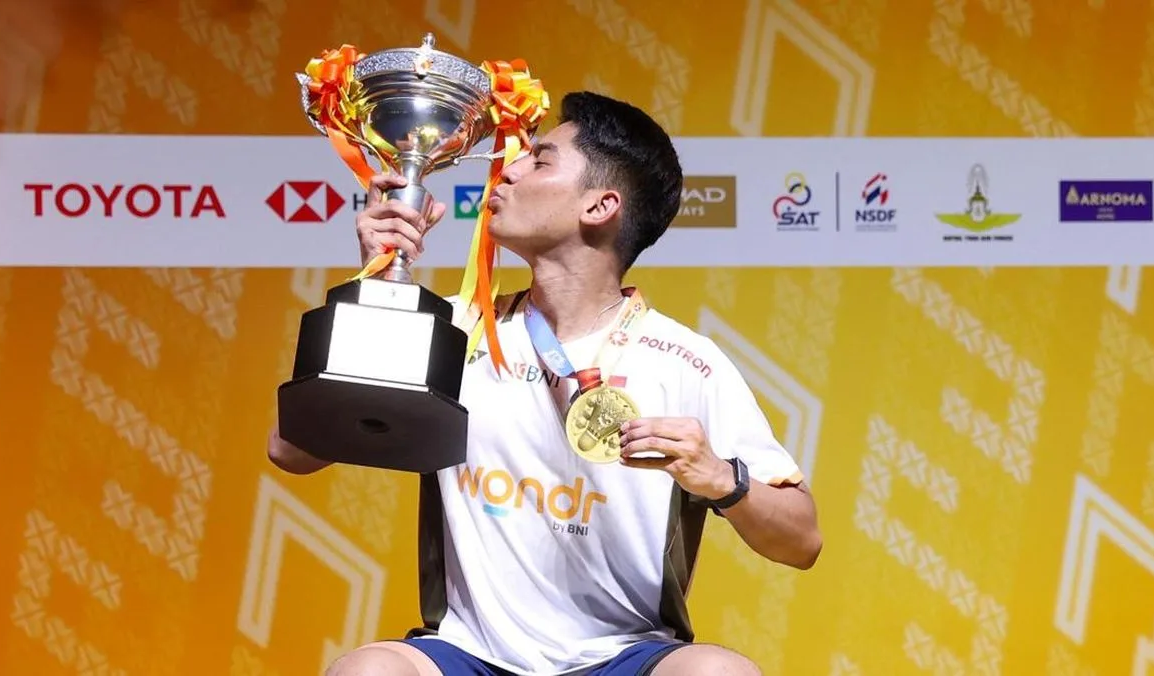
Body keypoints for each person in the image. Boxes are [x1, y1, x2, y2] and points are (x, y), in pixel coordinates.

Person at [268, 91, 822, 676]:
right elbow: (290, 449)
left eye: (539, 160)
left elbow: (802, 541)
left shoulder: (687, 362)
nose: (506, 170)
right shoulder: (455, 331)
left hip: (625, 657)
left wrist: (721, 479)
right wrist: (380, 288)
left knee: (718, 673)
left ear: (600, 206)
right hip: (469, 654)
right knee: (368, 671)